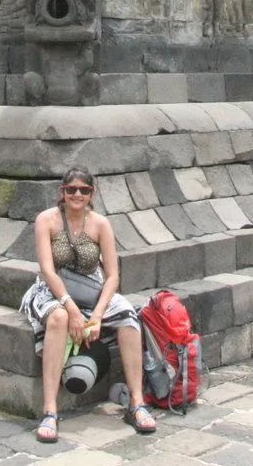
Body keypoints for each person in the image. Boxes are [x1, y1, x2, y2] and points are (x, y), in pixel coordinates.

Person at [19, 166, 156, 443]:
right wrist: (70, 309)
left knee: (129, 318)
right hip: (53, 289)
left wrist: (95, 316)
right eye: (71, 189)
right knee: (58, 319)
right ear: (62, 192)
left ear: (92, 193)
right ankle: (50, 409)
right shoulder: (46, 221)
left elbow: (113, 276)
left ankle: (136, 402)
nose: (77, 194)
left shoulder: (100, 224)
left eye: (84, 190)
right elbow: (47, 269)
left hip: (91, 290)